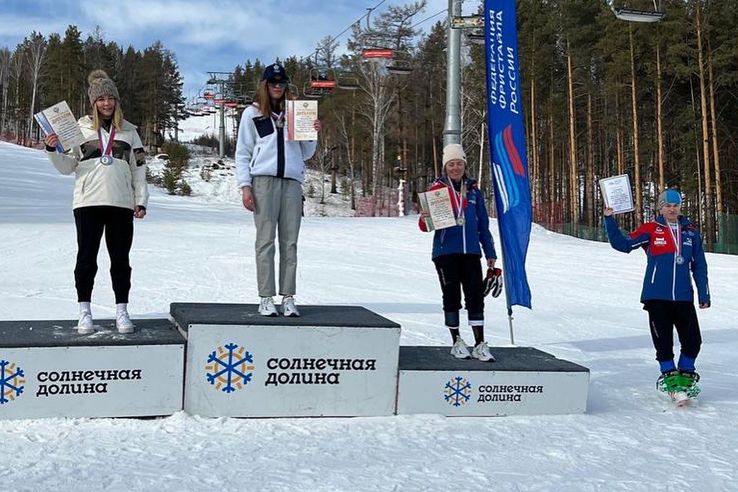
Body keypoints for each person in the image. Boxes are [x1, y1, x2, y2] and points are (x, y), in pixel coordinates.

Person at [44, 69, 149, 334]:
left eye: (110, 98)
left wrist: (141, 199)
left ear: (116, 101)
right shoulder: (78, 129)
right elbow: (67, 166)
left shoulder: (130, 132)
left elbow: (139, 169)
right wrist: (51, 150)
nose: (106, 104)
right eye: (100, 99)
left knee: (120, 260)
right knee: (86, 258)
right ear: (93, 103)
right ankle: (84, 312)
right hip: (88, 201)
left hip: (121, 202)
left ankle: (122, 312)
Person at [603, 189, 710, 399]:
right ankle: (670, 379)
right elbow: (623, 245)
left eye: (675, 205)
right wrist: (609, 220)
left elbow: (699, 266)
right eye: (667, 205)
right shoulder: (651, 229)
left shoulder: (691, 233)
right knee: (663, 341)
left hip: (683, 296)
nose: (672, 209)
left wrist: (703, 294)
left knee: (693, 341)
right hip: (656, 296)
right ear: (660, 207)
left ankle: (686, 377)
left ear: (680, 207)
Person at [235, 63, 322, 317]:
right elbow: (243, 152)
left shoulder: (295, 113)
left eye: (281, 83)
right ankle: (265, 296)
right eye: (273, 83)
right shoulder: (252, 114)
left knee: (290, 242)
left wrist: (312, 134)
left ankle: (288, 296)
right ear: (264, 85)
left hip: (291, 182)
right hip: (264, 181)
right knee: (265, 241)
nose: (277, 87)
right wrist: (245, 186)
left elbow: (306, 153)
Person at [419, 144, 497, 361]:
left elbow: (483, 224)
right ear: (445, 167)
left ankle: (480, 343)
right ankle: (456, 341)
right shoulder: (437, 190)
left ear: (464, 165)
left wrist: (489, 252)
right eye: (451, 164)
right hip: (445, 252)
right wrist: (425, 217)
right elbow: (425, 227)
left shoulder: (474, 191)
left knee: (475, 296)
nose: (455, 168)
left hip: (471, 252)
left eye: (459, 164)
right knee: (451, 295)